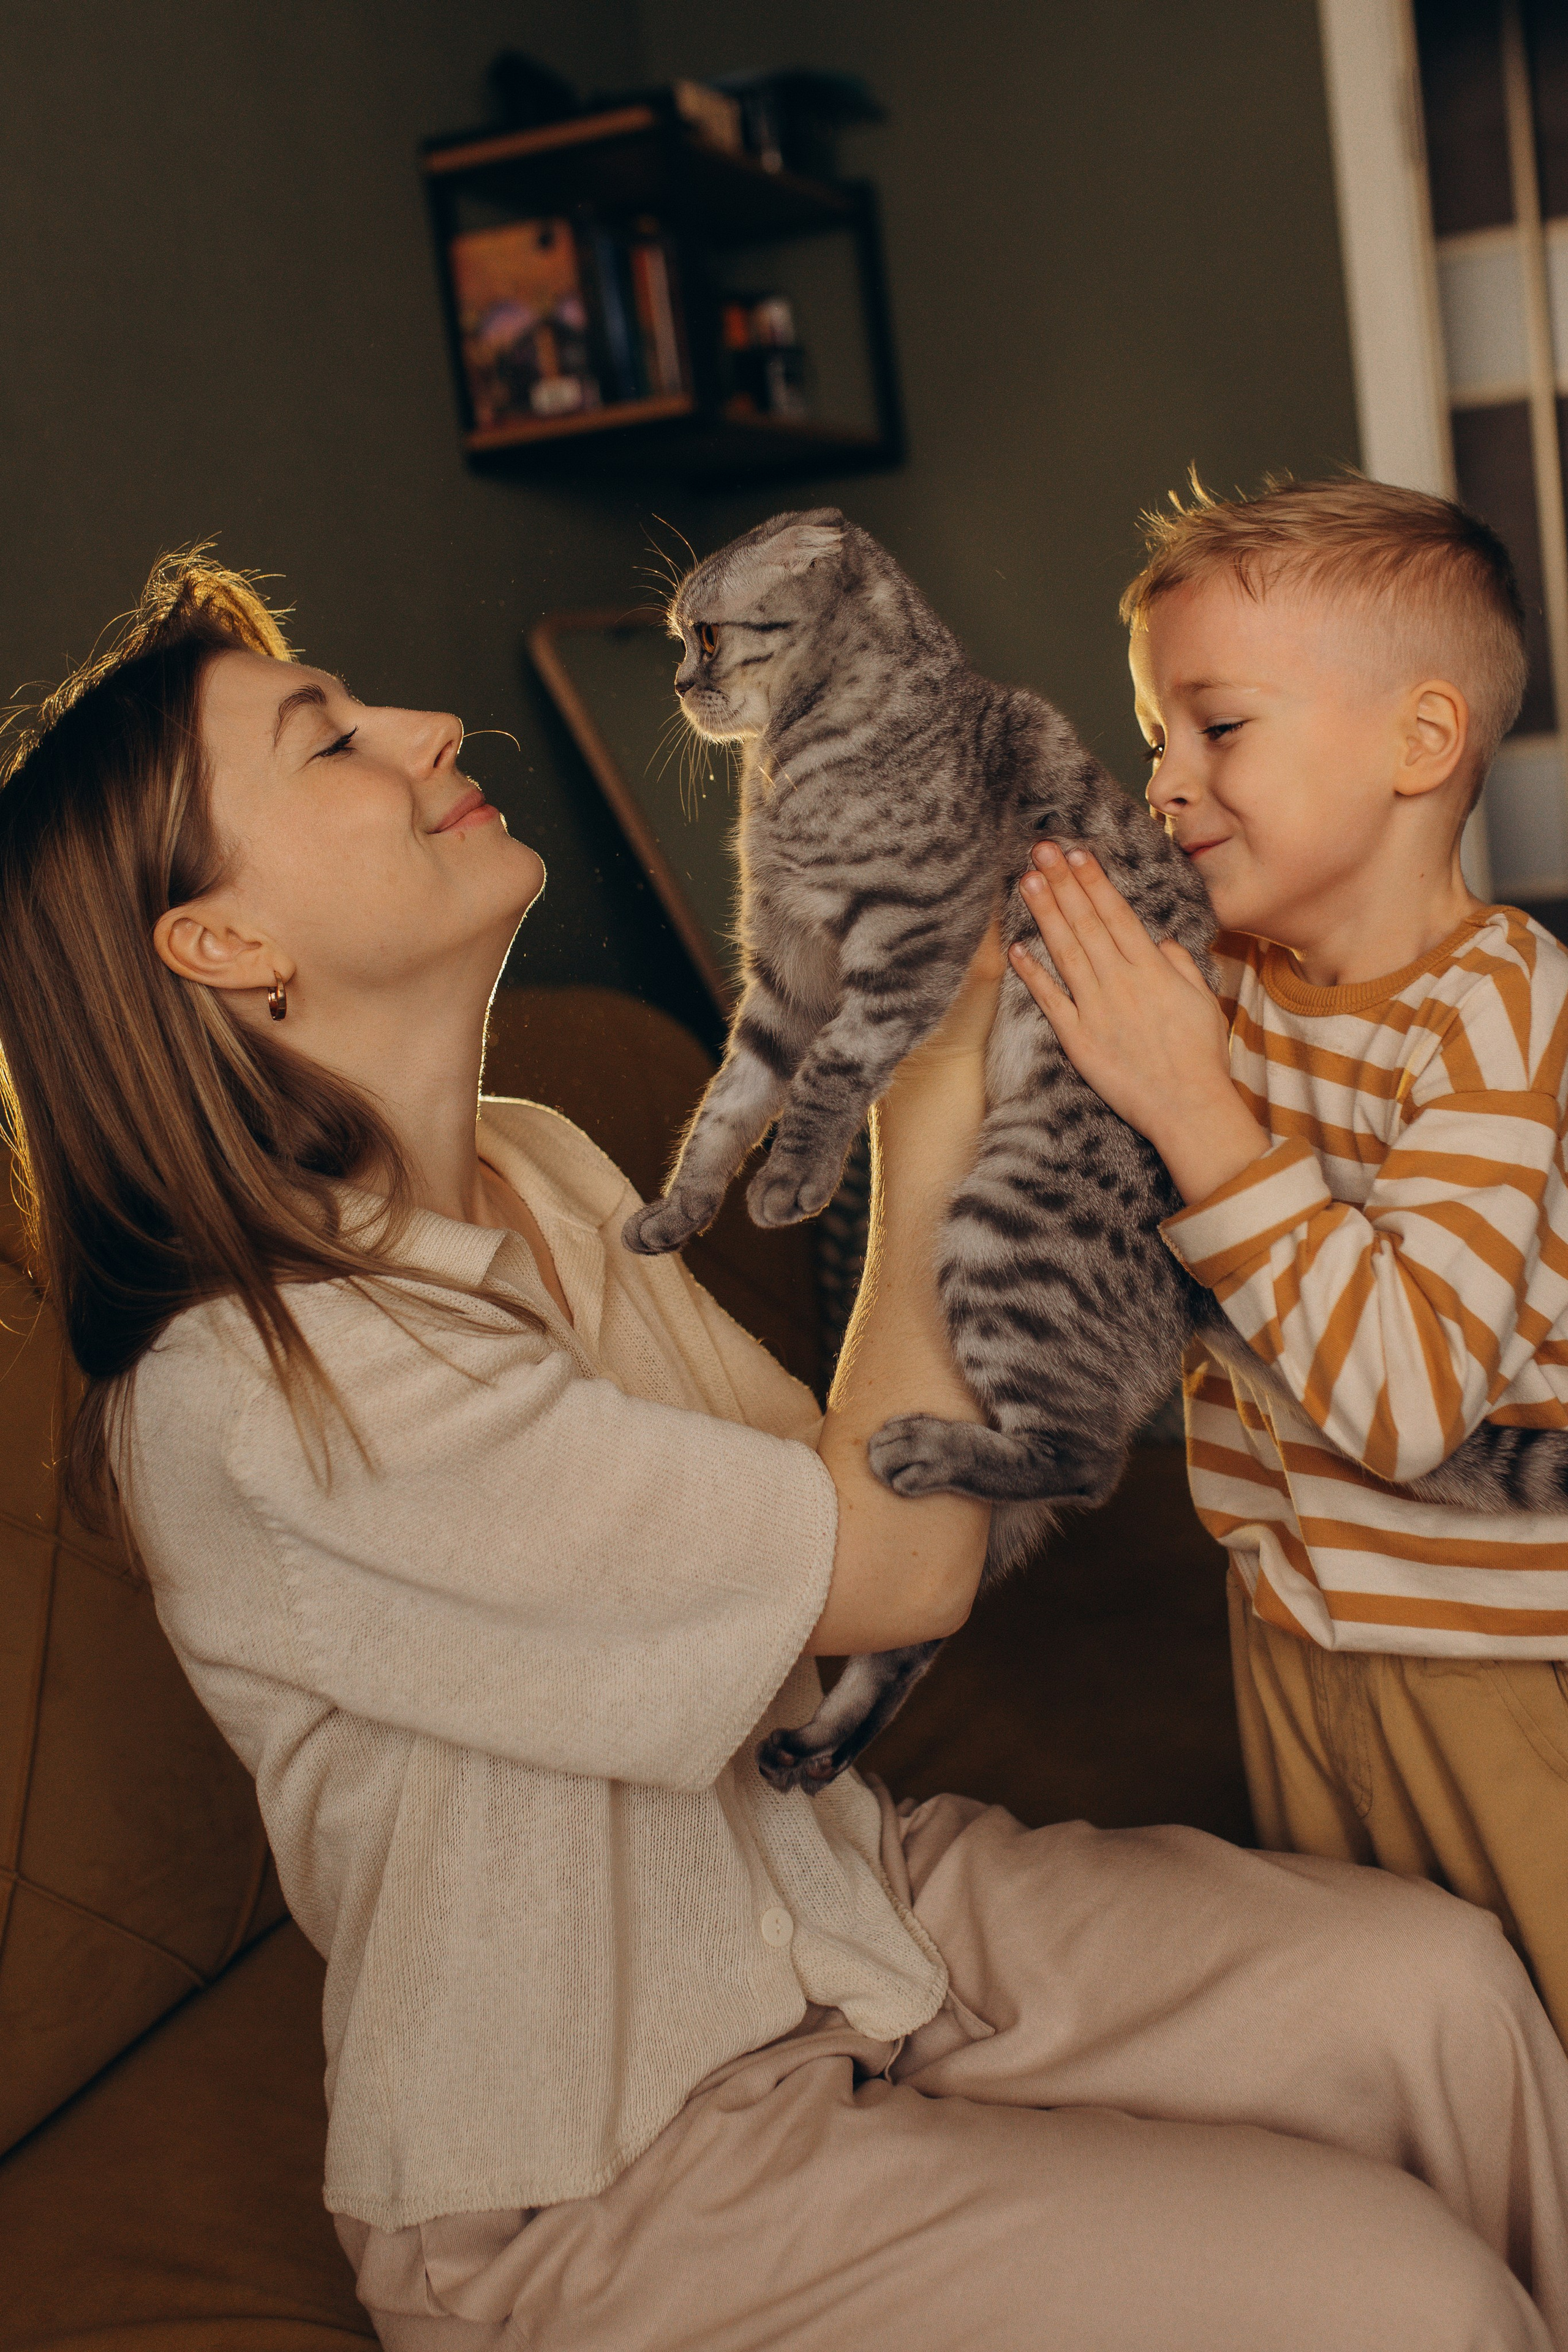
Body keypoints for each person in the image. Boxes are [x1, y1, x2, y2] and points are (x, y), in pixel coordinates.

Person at [2, 550, 1567, 2352]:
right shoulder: (259, 1391)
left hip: (846, 1912)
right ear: (221, 943)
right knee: (1409, 2301)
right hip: (602, 2156)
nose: (427, 722)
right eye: (331, 740)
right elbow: (892, 1557)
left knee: (1440, 1992)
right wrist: (930, 1084)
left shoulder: (545, 1162)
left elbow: (824, 1568)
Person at [1014, 472, 1568, 2057]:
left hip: (1494, 1658)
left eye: (1219, 727)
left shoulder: (1496, 1000)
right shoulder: (1233, 977)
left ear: (1421, 744)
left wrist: (1192, 1099)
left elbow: (1401, 1402)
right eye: (1155, 733)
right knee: (1394, 2049)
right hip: (1290, 1621)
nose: (1164, 780)